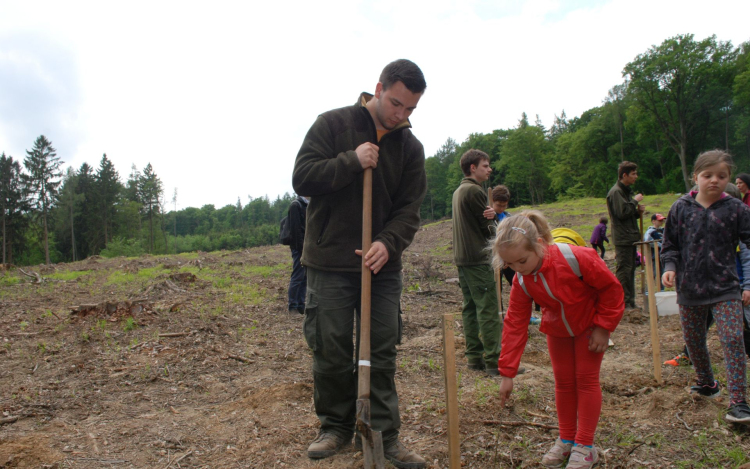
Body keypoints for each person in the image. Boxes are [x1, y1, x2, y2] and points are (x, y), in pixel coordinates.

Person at [292, 59, 428, 468]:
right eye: (397, 104)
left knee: (382, 349)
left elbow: (409, 211)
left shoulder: (410, 148)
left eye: (411, 109)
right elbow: (303, 177)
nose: (401, 115)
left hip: (382, 268)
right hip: (330, 262)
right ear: (379, 88)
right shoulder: (333, 124)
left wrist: (388, 243)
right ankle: (335, 427)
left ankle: (384, 437)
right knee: (331, 348)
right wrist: (351, 160)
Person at [493, 211, 624, 469]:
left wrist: (603, 327)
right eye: (511, 265)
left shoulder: (577, 258)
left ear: (539, 245)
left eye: (522, 260)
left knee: (585, 381)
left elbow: (611, 289)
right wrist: (507, 372)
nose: (518, 269)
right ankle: (566, 438)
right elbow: (515, 323)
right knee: (563, 383)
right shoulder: (522, 280)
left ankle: (585, 446)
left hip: (589, 326)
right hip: (557, 329)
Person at [661, 149, 750, 425]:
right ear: (695, 177)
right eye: (707, 175)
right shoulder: (680, 207)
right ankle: (707, 383)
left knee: (733, 339)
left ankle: (739, 402)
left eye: (721, 176)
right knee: (694, 341)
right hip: (690, 289)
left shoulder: (737, 209)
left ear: (728, 179)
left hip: (726, 288)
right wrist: (670, 267)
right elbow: (670, 244)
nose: (714, 180)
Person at [452, 149, 502, 376]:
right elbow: (489, 231)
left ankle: (474, 358)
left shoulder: (459, 191)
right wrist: (495, 220)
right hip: (479, 260)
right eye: (485, 165)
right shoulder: (474, 191)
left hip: (463, 259)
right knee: (488, 309)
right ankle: (494, 361)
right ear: (472, 168)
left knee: (470, 308)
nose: (489, 169)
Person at [606, 161, 645, 311]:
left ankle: (631, 301)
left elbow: (627, 213)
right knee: (624, 269)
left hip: (630, 236)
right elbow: (621, 213)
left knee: (630, 269)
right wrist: (635, 201)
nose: (636, 176)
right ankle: (623, 302)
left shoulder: (625, 191)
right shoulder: (616, 192)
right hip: (623, 238)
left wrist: (637, 212)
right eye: (633, 173)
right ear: (624, 175)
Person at [483, 185, 514, 286]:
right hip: (495, 258)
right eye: (498, 205)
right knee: (496, 285)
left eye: (504, 205)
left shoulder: (508, 217)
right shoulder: (487, 217)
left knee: (515, 281)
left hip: (509, 257)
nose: (501, 208)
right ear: (492, 201)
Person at [287, 195, 309, 315]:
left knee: (304, 277)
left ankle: (300, 304)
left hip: (306, 247)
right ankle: (293, 305)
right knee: (297, 276)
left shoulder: (306, 204)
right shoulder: (296, 205)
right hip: (299, 248)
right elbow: (295, 230)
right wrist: (301, 248)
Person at [643, 213, 665, 290]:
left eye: (662, 220)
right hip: (653, 256)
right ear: (653, 221)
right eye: (659, 220)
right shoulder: (650, 231)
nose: (661, 222)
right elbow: (647, 240)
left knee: (662, 274)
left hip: (662, 256)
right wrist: (660, 245)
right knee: (653, 274)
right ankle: (648, 291)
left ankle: (662, 290)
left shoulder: (662, 230)